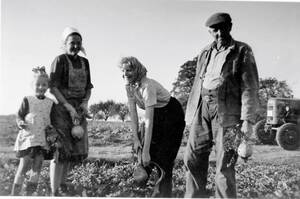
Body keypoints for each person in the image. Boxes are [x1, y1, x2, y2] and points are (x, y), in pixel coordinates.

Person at [184, 12, 259, 198]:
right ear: (209, 31)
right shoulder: (205, 52)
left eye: (222, 28)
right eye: (213, 30)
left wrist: (247, 121)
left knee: (225, 165)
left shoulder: (243, 50)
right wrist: (191, 114)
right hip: (202, 107)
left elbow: (250, 87)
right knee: (192, 159)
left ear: (230, 27)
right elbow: (196, 84)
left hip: (228, 112)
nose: (218, 33)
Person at [119, 57, 185, 197]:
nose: (125, 74)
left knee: (163, 158)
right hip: (158, 114)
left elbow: (148, 121)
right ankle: (141, 187)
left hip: (172, 114)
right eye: (123, 71)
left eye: (129, 70)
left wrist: (146, 151)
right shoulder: (129, 86)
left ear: (136, 70)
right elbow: (133, 114)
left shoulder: (147, 86)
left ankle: (163, 194)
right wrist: (136, 139)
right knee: (142, 152)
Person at [49, 27, 93, 196]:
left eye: (78, 43)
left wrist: (85, 103)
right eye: (72, 43)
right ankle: (54, 192)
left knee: (75, 151)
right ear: (64, 44)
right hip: (62, 109)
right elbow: (53, 88)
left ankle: (62, 187)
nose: (75, 46)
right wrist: (68, 107)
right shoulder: (59, 60)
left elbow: (88, 87)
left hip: (79, 109)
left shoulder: (85, 62)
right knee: (61, 151)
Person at [11, 67, 54, 196]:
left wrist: (52, 131)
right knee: (23, 167)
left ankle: (29, 195)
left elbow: (51, 120)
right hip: (29, 138)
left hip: (42, 141)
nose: (41, 87)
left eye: (44, 84)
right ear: (32, 85)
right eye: (38, 84)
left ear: (48, 86)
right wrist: (20, 122)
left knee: (37, 168)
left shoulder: (50, 103)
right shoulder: (28, 100)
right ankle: (14, 194)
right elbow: (19, 115)